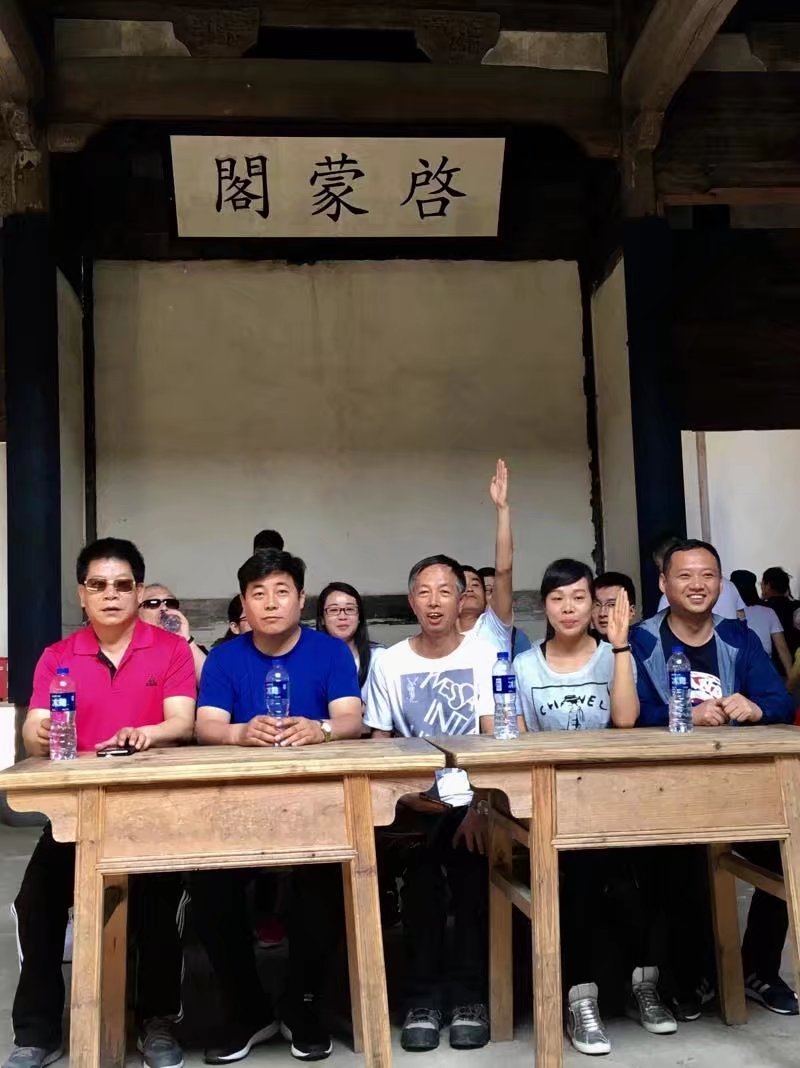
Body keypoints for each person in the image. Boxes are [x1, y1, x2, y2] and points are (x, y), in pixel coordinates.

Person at [4, 538, 196, 1068]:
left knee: (159, 905)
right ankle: (38, 1032)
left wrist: (147, 734)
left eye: (122, 585)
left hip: (151, 810)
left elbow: (182, 721)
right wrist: (39, 734)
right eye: (98, 585)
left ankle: (157, 1021)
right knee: (35, 904)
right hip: (77, 814)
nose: (110, 595)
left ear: (138, 591)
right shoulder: (57, 657)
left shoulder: (170, 650)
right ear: (81, 594)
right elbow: (34, 731)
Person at [191, 549, 363, 1064]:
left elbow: (350, 720)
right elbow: (206, 726)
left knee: (329, 873)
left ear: (301, 599)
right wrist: (240, 733)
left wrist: (320, 729)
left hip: (315, 805)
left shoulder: (330, 652)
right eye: (258, 594)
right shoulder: (226, 658)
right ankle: (246, 1007)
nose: (270, 603)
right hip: (237, 807)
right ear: (244, 603)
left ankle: (302, 1002)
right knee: (207, 879)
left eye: (281, 591)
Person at [631, 539, 797, 1017]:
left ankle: (758, 969)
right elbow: (629, 713)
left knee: (783, 860)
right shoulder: (641, 641)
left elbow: (780, 700)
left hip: (734, 791)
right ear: (664, 584)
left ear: (721, 584)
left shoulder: (739, 637)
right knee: (679, 869)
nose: (697, 584)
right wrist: (683, 713)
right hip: (663, 791)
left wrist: (756, 707)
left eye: (707, 575)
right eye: (684, 575)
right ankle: (693, 976)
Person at [513, 560, 661, 1056]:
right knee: (576, 877)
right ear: (544, 606)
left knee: (634, 874)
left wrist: (619, 647)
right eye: (558, 599)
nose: (569, 608)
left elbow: (626, 721)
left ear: (593, 604)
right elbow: (520, 740)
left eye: (580, 598)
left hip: (613, 800)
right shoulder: (524, 666)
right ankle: (581, 999)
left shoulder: (613, 655)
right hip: (554, 803)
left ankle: (643, 985)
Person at [365, 554, 497, 1053]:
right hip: (412, 801)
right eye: (424, 591)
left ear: (462, 598)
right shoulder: (390, 662)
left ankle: (469, 998)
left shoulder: (485, 656)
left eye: (445, 591)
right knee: (420, 884)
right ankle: (422, 999)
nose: (435, 601)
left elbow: (496, 740)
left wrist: (482, 807)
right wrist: (403, 797)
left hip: (473, 799)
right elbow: (379, 740)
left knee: (471, 878)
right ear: (411, 601)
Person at [458, 459, 515, 656]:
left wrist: (502, 508)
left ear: (486, 596)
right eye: (462, 584)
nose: (469, 588)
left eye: (475, 584)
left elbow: (504, 570)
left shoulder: (494, 625)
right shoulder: (440, 634)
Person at [315, 582, 383, 699]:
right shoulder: (309, 659)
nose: (342, 617)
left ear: (359, 617)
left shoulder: (379, 658)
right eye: (334, 610)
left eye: (350, 609)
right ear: (322, 619)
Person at [654, 534, 745, 620]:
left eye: (660, 565)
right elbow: (741, 615)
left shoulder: (670, 597)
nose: (697, 586)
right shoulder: (730, 585)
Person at [139, 582, 207, 682]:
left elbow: (213, 683)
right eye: (153, 603)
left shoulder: (190, 648)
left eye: (170, 603)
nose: (164, 608)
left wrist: (186, 639)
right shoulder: (126, 653)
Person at [729, 569, 792, 676]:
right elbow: (782, 647)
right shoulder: (768, 612)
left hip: (735, 669)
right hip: (764, 668)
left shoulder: (725, 613)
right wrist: (790, 675)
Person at [478, 565, 532, 657]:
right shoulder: (463, 633)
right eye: (488, 590)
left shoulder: (517, 638)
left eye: (500, 591)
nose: (496, 596)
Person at [761, 566, 800, 667]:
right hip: (795, 666)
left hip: (772, 666)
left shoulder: (762, 609)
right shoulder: (796, 607)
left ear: (768, 585)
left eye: (762, 583)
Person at [592, 571, 637, 641]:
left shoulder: (645, 644)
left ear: (631, 611)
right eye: (597, 604)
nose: (602, 613)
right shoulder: (579, 642)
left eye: (612, 605)